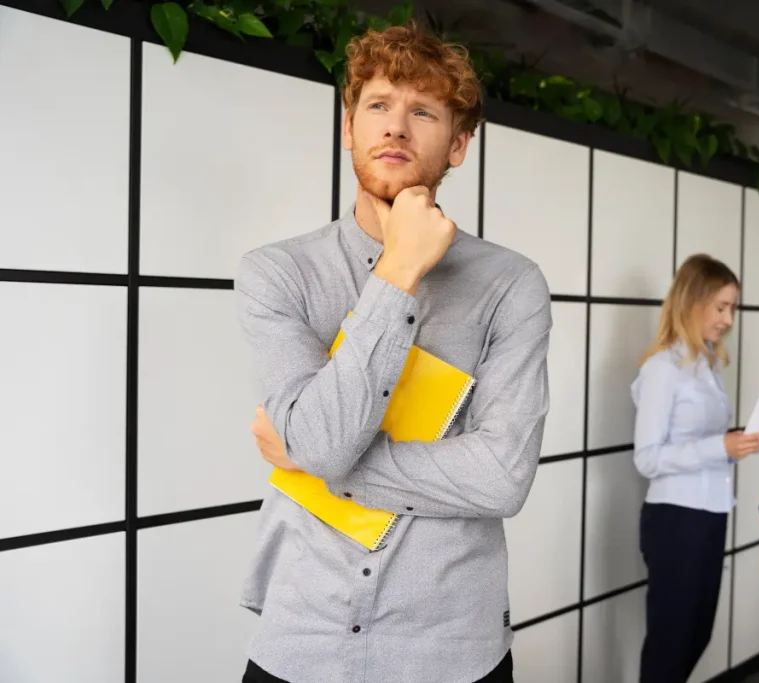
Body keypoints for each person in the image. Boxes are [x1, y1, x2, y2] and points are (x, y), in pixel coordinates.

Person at [234, 22, 552, 683]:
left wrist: (315, 460)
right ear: (348, 128)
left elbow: (503, 476)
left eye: (424, 111)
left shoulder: (511, 285)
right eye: (378, 105)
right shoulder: (277, 272)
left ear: (459, 144)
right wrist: (399, 270)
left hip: (451, 645)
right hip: (303, 637)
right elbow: (324, 441)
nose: (396, 128)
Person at [631, 254, 759, 683]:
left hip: (710, 515)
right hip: (676, 520)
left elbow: (703, 441)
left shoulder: (707, 365)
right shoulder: (662, 370)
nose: (729, 319)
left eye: (733, 308)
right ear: (693, 303)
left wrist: (738, 442)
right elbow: (647, 458)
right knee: (671, 643)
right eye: (721, 307)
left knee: (697, 635)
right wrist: (720, 446)